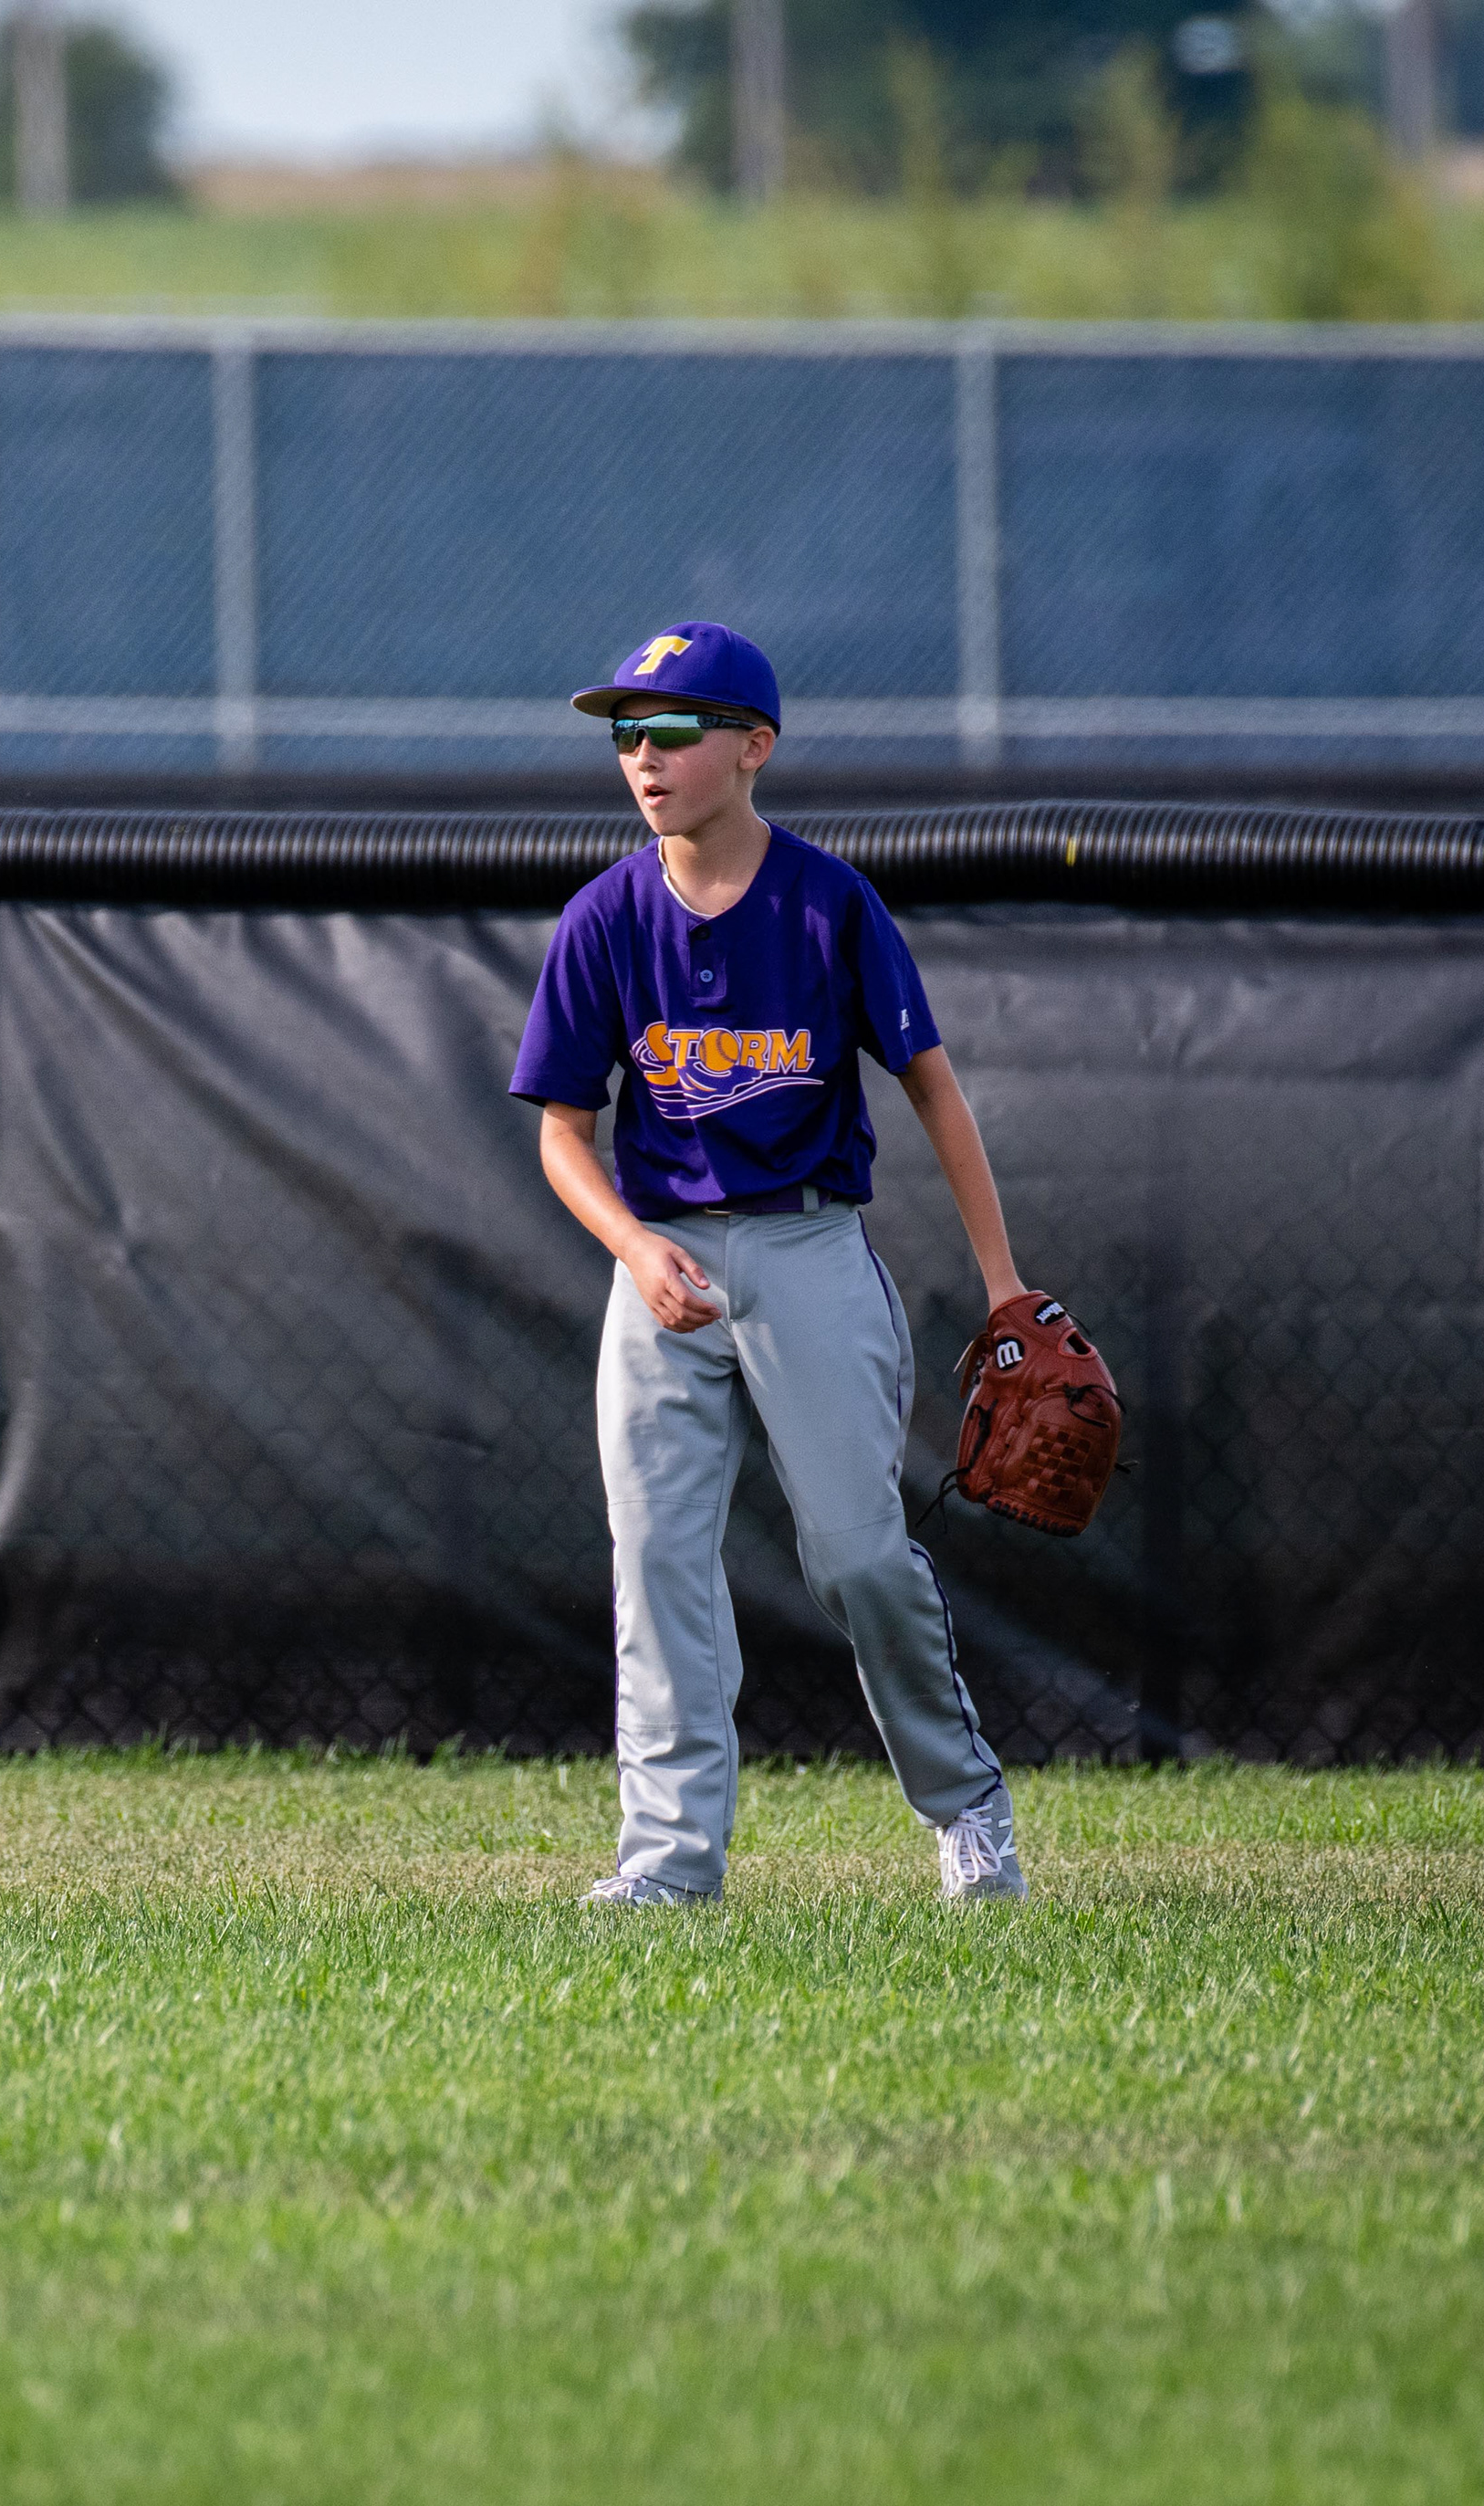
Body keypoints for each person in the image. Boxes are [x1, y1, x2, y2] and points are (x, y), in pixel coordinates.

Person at [509, 621, 1032, 1907]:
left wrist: (1006, 1287)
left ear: (754, 747)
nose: (643, 756)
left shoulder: (827, 903)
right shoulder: (603, 919)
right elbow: (563, 1135)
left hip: (808, 1246)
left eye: (671, 730)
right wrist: (634, 1246)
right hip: (662, 1260)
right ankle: (668, 1864)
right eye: (626, 734)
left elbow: (934, 1090)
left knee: (858, 1558)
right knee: (659, 1564)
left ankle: (967, 1811)